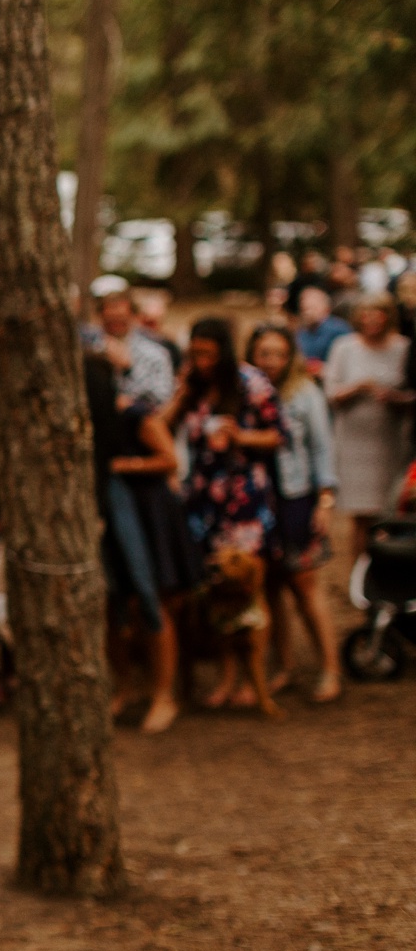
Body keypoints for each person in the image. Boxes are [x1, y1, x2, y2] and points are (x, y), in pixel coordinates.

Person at [83, 356, 200, 735]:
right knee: (113, 605)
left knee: (156, 602)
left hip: (149, 517)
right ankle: (124, 688)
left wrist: (122, 467)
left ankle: (164, 694)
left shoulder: (135, 415)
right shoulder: (87, 422)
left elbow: (170, 460)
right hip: (109, 517)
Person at [247, 325, 342, 704]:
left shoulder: (304, 394)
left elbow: (322, 449)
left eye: (276, 353)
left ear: (289, 357)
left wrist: (325, 499)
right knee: (269, 587)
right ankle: (283, 666)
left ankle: (330, 668)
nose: (269, 361)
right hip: (256, 498)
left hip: (295, 496)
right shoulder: (247, 393)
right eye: (262, 353)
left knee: (303, 586)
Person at [165, 318, 286, 563]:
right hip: (201, 493)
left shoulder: (250, 382)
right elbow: (162, 425)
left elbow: (279, 435)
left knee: (241, 573)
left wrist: (240, 437)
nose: (202, 362)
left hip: (243, 494)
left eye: (209, 354)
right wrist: (182, 395)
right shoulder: (192, 383)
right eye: (196, 353)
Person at [324, 292, 412, 549]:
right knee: (361, 517)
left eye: (378, 314)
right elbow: (331, 394)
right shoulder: (344, 347)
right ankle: (359, 576)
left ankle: (388, 576)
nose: (371, 320)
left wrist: (396, 398)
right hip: (354, 445)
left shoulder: (404, 347)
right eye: (366, 314)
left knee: (392, 513)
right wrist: (359, 387)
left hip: (391, 443)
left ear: (388, 317)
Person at [84, 281, 176, 410]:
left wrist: (128, 370)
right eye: (110, 320)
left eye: (121, 319)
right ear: (100, 317)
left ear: (133, 316)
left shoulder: (155, 353)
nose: (116, 324)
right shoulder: (88, 349)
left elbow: (163, 397)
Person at [295, 286, 353, 377]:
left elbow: (350, 361)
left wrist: (325, 368)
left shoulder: (338, 328)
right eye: (305, 309)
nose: (308, 313)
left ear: (326, 308)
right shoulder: (301, 332)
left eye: (312, 307)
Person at [132, 288, 182, 371]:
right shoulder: (130, 343)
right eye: (146, 321)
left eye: (153, 322)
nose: (149, 329)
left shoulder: (169, 345)